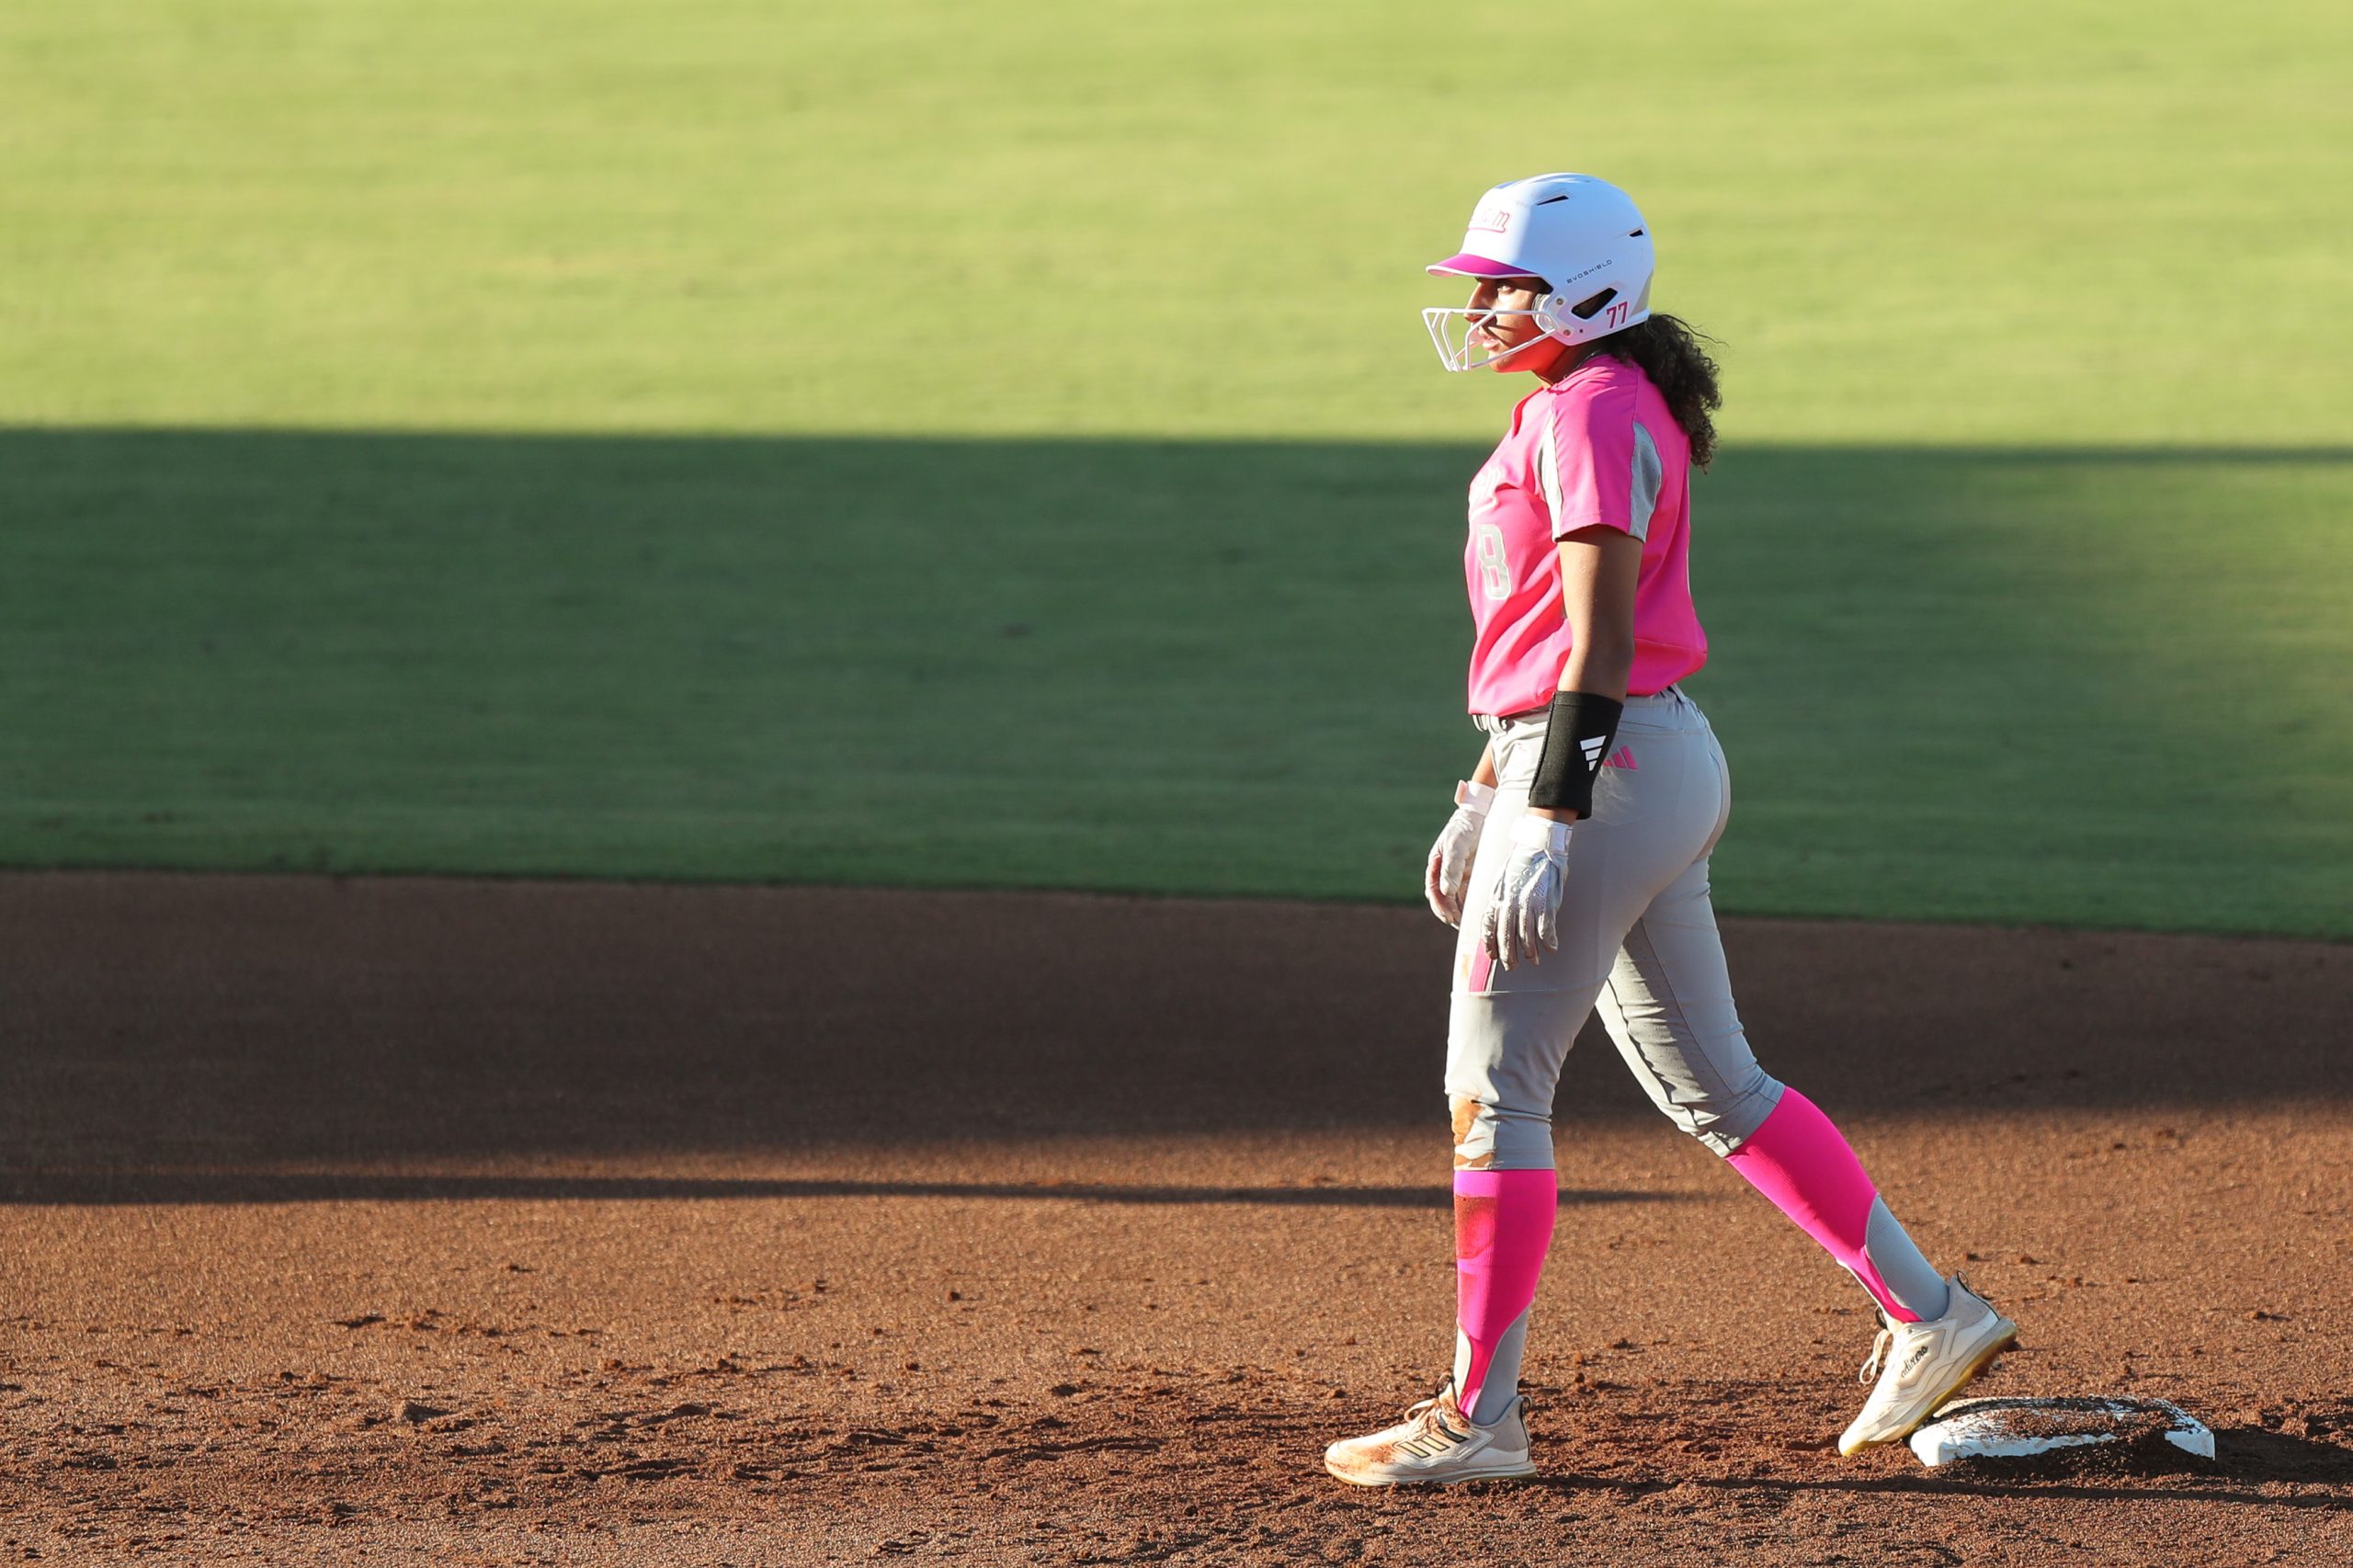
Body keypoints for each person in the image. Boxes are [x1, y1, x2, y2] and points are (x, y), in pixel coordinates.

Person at [1323, 174, 2018, 1486]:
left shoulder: (1588, 413)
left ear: (1584, 292)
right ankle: (1934, 1312)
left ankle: (1481, 1418)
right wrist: (1487, 787)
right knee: (1721, 1089)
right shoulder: (1591, 401)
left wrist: (1550, 804)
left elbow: (1592, 630)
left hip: (1604, 766)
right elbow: (1547, 639)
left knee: (1495, 1091)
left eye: (1503, 286)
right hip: (1646, 753)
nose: (1478, 308)